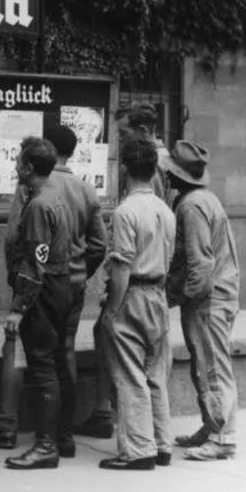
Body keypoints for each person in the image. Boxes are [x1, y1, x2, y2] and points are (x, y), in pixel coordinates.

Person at [0, 125, 107, 455]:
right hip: (71, 285)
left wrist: (19, 292)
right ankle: (64, 434)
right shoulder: (85, 189)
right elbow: (99, 244)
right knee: (65, 354)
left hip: (38, 285)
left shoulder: (34, 192)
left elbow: (16, 240)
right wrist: (81, 272)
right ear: (72, 152)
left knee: (18, 353)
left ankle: (8, 427)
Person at [77, 101, 173, 437]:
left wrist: (114, 305)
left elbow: (144, 229)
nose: (118, 142)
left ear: (143, 132)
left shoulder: (150, 166)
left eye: (123, 133)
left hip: (134, 280)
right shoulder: (161, 164)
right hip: (151, 281)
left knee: (126, 357)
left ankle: (124, 428)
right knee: (149, 365)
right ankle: (153, 437)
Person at [96, 140, 176, 470]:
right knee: (156, 373)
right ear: (155, 169)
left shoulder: (126, 211)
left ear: (124, 169)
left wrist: (112, 310)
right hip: (159, 295)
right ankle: (161, 443)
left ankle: (138, 450)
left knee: (129, 374)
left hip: (134, 294)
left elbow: (121, 266)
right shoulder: (165, 210)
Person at [163, 140, 241, 461]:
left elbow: (201, 266)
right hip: (215, 296)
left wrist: (177, 297)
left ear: (175, 177)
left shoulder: (191, 206)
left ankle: (222, 438)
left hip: (208, 301)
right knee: (207, 365)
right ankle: (212, 427)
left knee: (212, 369)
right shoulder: (202, 199)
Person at [3, 138, 74, 470]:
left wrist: (19, 307)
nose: (16, 166)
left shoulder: (36, 206)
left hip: (42, 291)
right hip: (60, 285)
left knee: (42, 366)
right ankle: (53, 439)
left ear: (29, 168)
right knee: (54, 363)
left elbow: (34, 261)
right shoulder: (57, 196)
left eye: (18, 162)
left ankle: (45, 446)